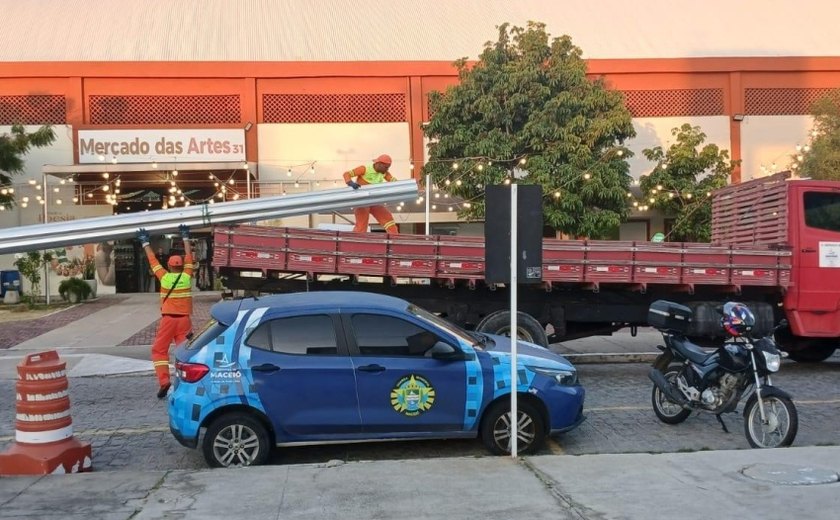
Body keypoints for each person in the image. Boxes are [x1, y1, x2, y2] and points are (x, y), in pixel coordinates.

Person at [136, 224, 194, 399]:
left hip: (168, 320)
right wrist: (185, 236)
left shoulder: (165, 277)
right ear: (182, 266)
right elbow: (189, 256)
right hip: (184, 321)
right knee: (184, 352)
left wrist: (145, 242)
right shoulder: (187, 276)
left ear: (168, 265)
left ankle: (164, 381)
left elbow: (152, 260)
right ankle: (186, 384)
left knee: (159, 350)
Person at [343, 153, 400, 234]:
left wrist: (401, 185)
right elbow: (347, 174)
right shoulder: (364, 169)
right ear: (379, 164)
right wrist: (350, 183)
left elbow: (392, 180)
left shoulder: (384, 173)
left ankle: (394, 237)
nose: (387, 170)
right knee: (362, 224)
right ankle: (357, 240)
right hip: (362, 200)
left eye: (388, 168)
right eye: (386, 167)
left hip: (374, 200)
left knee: (388, 219)